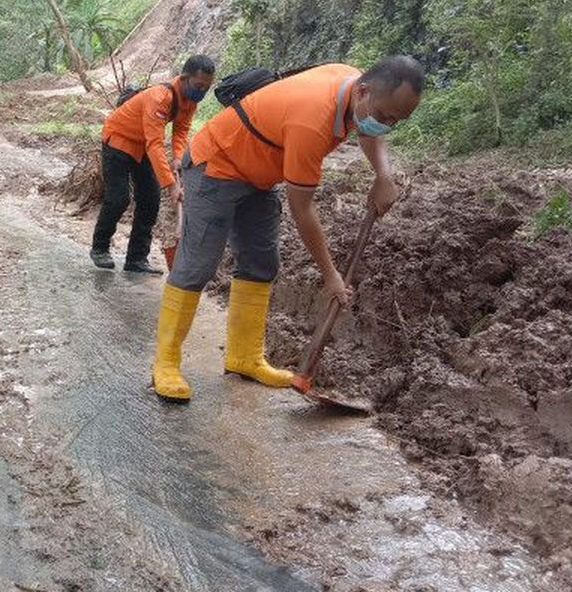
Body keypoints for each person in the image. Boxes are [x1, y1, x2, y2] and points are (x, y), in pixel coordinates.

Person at [150, 55, 424, 401]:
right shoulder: (313, 120)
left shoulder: (356, 87)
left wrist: (384, 175)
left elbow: (369, 127)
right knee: (198, 265)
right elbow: (302, 208)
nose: (386, 125)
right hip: (216, 164)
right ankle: (166, 363)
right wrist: (331, 276)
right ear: (363, 92)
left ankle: (244, 357)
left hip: (259, 174)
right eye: (385, 116)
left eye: (396, 121)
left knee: (262, 263)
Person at [91, 55, 216, 274]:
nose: (202, 91)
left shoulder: (190, 101)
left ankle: (136, 259)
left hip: (143, 146)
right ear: (184, 78)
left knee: (150, 200)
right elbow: (155, 144)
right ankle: (100, 248)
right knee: (119, 198)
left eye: (206, 87)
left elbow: (181, 131)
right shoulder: (160, 97)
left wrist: (178, 157)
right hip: (119, 140)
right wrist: (171, 185)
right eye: (199, 86)